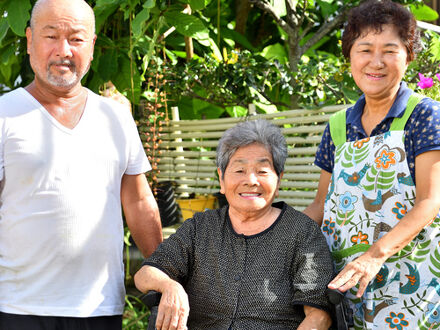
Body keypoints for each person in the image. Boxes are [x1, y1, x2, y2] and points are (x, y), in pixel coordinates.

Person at [0, 0, 162, 329]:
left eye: (76, 39)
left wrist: (166, 275)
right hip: (18, 306)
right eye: (51, 36)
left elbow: (138, 201)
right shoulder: (5, 113)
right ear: (30, 41)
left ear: (92, 46)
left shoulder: (116, 117)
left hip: (100, 306)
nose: (63, 50)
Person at [304, 0, 440, 328]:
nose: (375, 62)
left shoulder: (424, 115)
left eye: (390, 50)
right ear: (349, 55)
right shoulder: (338, 126)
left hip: (413, 285)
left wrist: (373, 257)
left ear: (408, 56)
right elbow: (321, 205)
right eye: (365, 49)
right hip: (347, 285)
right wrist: (271, 237)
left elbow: (430, 201)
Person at [134, 119, 334, 330]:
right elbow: (146, 273)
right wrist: (169, 286)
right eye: (239, 171)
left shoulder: (302, 232)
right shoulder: (200, 228)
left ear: (279, 181)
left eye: (262, 171)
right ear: (221, 179)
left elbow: (319, 316)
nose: (251, 180)